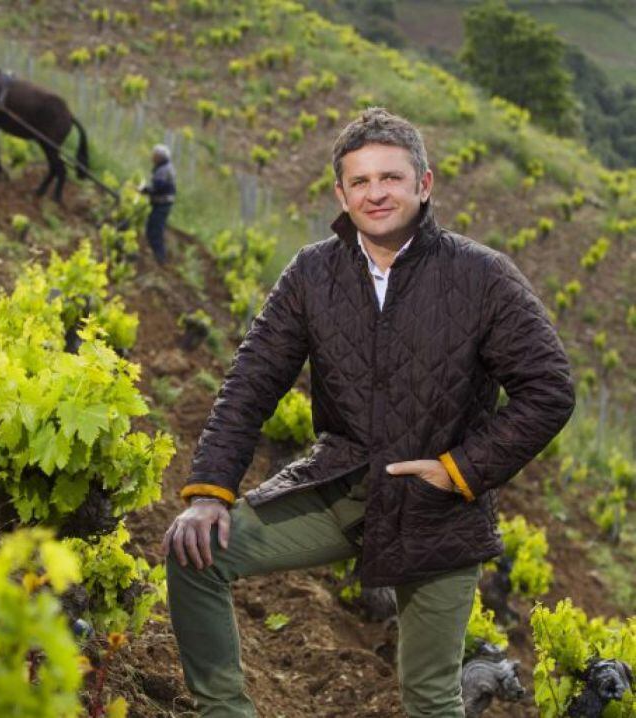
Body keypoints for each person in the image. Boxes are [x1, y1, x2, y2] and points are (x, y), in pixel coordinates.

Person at [161, 108, 575, 717]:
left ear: (423, 184)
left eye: (391, 178)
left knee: (430, 698)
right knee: (192, 553)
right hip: (341, 485)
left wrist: (457, 469)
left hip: (438, 508)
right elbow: (251, 382)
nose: (376, 193)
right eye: (360, 181)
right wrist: (209, 491)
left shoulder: (481, 275)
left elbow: (550, 390)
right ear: (341, 193)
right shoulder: (312, 273)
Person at [139, 143, 176, 264]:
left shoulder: (163, 170)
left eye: (154, 156)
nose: (152, 158)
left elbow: (157, 188)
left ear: (160, 157)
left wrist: (145, 190)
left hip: (162, 205)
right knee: (152, 229)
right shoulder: (164, 167)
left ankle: (161, 259)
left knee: (155, 231)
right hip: (161, 204)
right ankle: (158, 257)